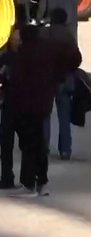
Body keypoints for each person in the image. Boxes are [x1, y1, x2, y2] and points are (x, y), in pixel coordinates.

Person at [6, 18, 82, 197]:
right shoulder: (49, 49)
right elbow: (73, 58)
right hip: (44, 102)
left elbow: (18, 81)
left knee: (29, 145)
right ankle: (42, 182)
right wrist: (60, 75)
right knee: (39, 143)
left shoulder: (24, 55)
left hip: (27, 104)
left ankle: (28, 183)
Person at [37, 0, 79, 160]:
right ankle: (65, 149)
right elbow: (77, 58)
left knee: (45, 113)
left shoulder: (47, 35)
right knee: (64, 114)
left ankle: (43, 146)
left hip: (48, 78)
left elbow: (40, 13)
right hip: (66, 75)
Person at [0, 29, 21, 190]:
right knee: (6, 144)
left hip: (24, 106)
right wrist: (2, 75)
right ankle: (7, 177)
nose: (15, 41)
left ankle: (28, 178)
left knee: (27, 145)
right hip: (8, 106)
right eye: (13, 39)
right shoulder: (5, 58)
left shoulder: (28, 58)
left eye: (17, 39)